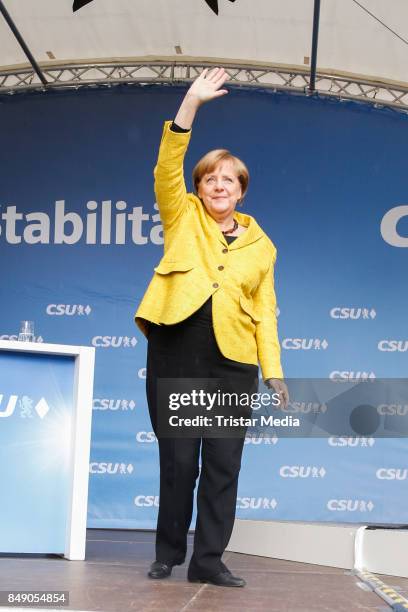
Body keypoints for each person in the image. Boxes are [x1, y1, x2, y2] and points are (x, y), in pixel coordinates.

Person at [134, 67, 288, 587]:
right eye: (209, 178)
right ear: (198, 189)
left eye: (228, 179)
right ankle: (168, 553)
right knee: (179, 462)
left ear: (241, 191)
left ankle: (209, 561)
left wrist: (274, 370)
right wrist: (190, 105)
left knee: (223, 466)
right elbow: (165, 167)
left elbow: (265, 309)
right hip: (178, 349)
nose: (218, 185)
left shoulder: (262, 247)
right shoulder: (183, 217)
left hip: (232, 363)